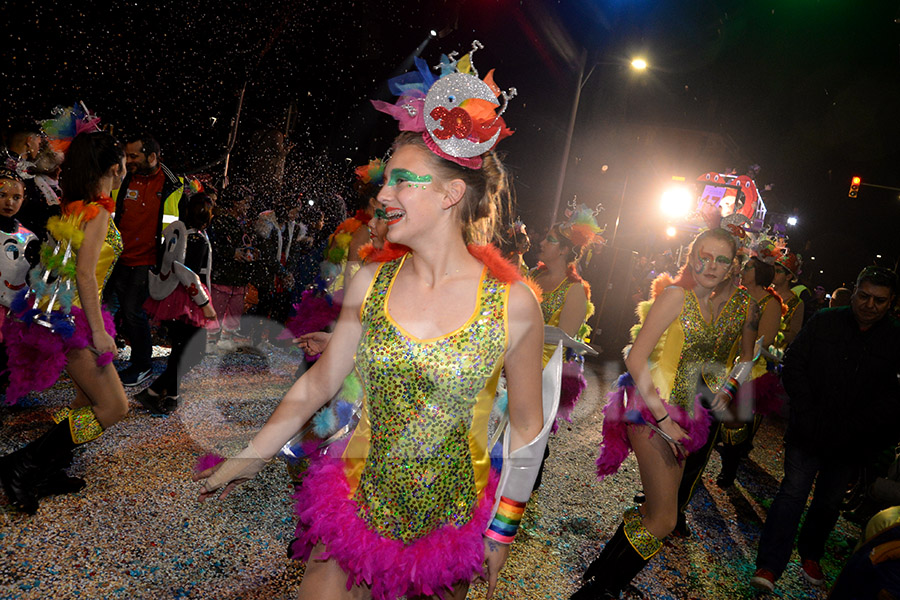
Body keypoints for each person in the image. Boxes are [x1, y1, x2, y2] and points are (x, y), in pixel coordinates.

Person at [195, 47, 548, 600]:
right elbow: (319, 382)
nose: (383, 194)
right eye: (387, 180)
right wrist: (251, 455)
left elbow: (528, 425)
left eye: (403, 182)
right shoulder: (369, 282)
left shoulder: (512, 303)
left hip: (449, 525)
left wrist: (502, 530)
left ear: (452, 194)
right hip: (356, 496)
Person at [577, 228, 758, 598]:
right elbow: (635, 357)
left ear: (733, 266)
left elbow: (746, 357)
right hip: (651, 410)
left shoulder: (742, 306)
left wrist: (729, 389)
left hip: (692, 418)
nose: (711, 265)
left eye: (721, 259)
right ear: (691, 258)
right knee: (665, 518)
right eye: (703, 256)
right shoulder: (676, 297)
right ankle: (601, 589)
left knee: (658, 511)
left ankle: (604, 569)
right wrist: (664, 421)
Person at [0, 131, 129, 514]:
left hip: (57, 311)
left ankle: (47, 468)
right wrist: (101, 332)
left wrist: (114, 181)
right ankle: (23, 466)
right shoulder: (99, 212)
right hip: (74, 317)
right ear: (112, 167)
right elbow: (86, 274)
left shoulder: (81, 205)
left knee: (85, 400)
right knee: (114, 407)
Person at [750, 266, 900, 592]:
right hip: (809, 428)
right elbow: (794, 362)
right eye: (864, 296)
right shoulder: (826, 321)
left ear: (890, 303)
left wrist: (864, 428)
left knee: (829, 502)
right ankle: (770, 564)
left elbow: (892, 397)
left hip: (851, 440)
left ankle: (811, 554)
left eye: (879, 300)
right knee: (791, 494)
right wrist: (805, 409)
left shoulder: (895, 339)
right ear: (855, 290)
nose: (870, 305)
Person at [105, 132, 185, 386]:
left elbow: (177, 230)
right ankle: (101, 360)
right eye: (126, 155)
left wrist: (166, 266)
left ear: (152, 156)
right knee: (105, 309)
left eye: (134, 156)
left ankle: (142, 365)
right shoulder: (123, 177)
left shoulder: (173, 184)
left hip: (146, 262)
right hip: (116, 258)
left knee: (132, 311)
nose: (128, 161)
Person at [136, 193, 217, 414]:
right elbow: (189, 274)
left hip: (172, 298)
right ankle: (153, 392)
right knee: (193, 351)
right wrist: (205, 303)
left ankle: (171, 395)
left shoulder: (178, 232)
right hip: (187, 300)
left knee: (180, 350)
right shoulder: (196, 239)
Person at [715, 247, 784, 488]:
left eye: (748, 267)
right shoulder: (738, 295)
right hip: (723, 362)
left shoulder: (771, 303)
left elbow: (763, 340)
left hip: (749, 369)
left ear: (760, 271)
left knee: (735, 420)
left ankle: (729, 468)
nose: (743, 270)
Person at [0, 168, 40, 397]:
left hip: (14, 310)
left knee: (7, 356)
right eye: (3, 195)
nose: (9, 202)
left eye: (16, 197)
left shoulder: (28, 237)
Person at [771, 250, 804, 348]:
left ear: (788, 276)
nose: (774, 273)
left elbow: (794, 334)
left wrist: (772, 333)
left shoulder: (797, 303)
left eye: (778, 271)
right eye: (774, 270)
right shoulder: (765, 292)